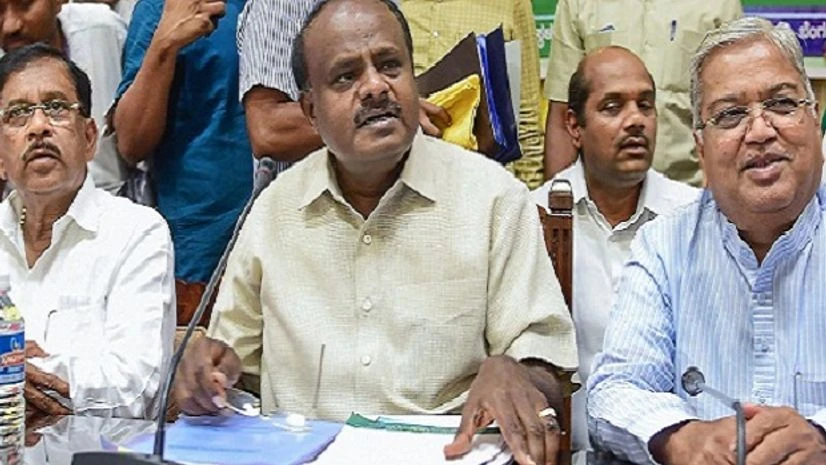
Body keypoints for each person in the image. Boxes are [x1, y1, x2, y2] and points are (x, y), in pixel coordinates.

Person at [176, 1, 578, 464]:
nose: (374, 87)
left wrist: (519, 373)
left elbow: (547, 363)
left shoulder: (492, 198)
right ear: (309, 110)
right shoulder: (273, 210)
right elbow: (230, 369)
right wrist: (207, 374)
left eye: (390, 66)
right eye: (345, 76)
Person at [587, 17, 826, 464]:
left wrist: (819, 436)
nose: (759, 131)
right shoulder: (665, 246)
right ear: (701, 147)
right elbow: (614, 391)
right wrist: (680, 438)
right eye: (731, 114)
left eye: (781, 103)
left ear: (813, 118)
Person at [532, 46, 697, 458]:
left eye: (645, 104)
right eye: (612, 107)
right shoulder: (531, 220)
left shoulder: (695, 220)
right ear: (574, 125)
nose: (636, 120)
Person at [0, 44, 175, 419]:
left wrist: (9, 375)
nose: (39, 127)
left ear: (89, 138)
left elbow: (135, 388)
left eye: (57, 108)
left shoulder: (136, 233)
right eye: (17, 114)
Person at [112, 0, 253, 324]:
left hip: (312, 229)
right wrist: (164, 44)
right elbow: (132, 142)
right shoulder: (161, 6)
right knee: (206, 371)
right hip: (203, 252)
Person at [237, 0, 446, 179]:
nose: (375, 86)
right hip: (310, 211)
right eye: (345, 77)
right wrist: (387, 114)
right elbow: (268, 130)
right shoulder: (281, 5)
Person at [543, 0, 742, 186]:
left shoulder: (720, 5)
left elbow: (733, 112)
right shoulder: (578, 4)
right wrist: (558, 207)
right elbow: (563, 117)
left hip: (690, 191)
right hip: (600, 199)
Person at [402, 0, 545, 189]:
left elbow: (525, 117)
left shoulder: (512, 4)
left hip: (484, 182)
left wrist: (531, 195)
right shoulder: (386, 7)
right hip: (404, 178)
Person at [0, 0, 127, 194]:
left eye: (25, 5)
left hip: (118, 200)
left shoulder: (103, 30)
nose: (10, 26)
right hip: (30, 209)